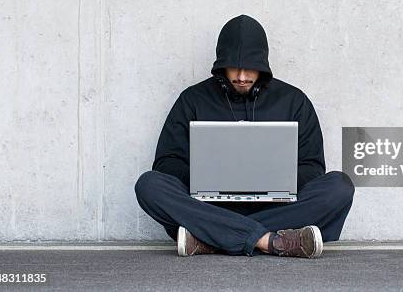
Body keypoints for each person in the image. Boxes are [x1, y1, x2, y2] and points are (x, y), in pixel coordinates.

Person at [134, 14, 354, 258]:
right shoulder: (192, 100)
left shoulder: (294, 101)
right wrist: (209, 174)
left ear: (263, 65)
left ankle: (211, 239)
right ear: (220, 65)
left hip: (275, 207)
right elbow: (166, 163)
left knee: (339, 187)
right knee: (149, 185)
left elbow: (313, 167)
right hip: (209, 207)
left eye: (250, 67)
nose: (241, 76)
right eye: (233, 67)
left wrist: (271, 175)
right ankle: (271, 241)